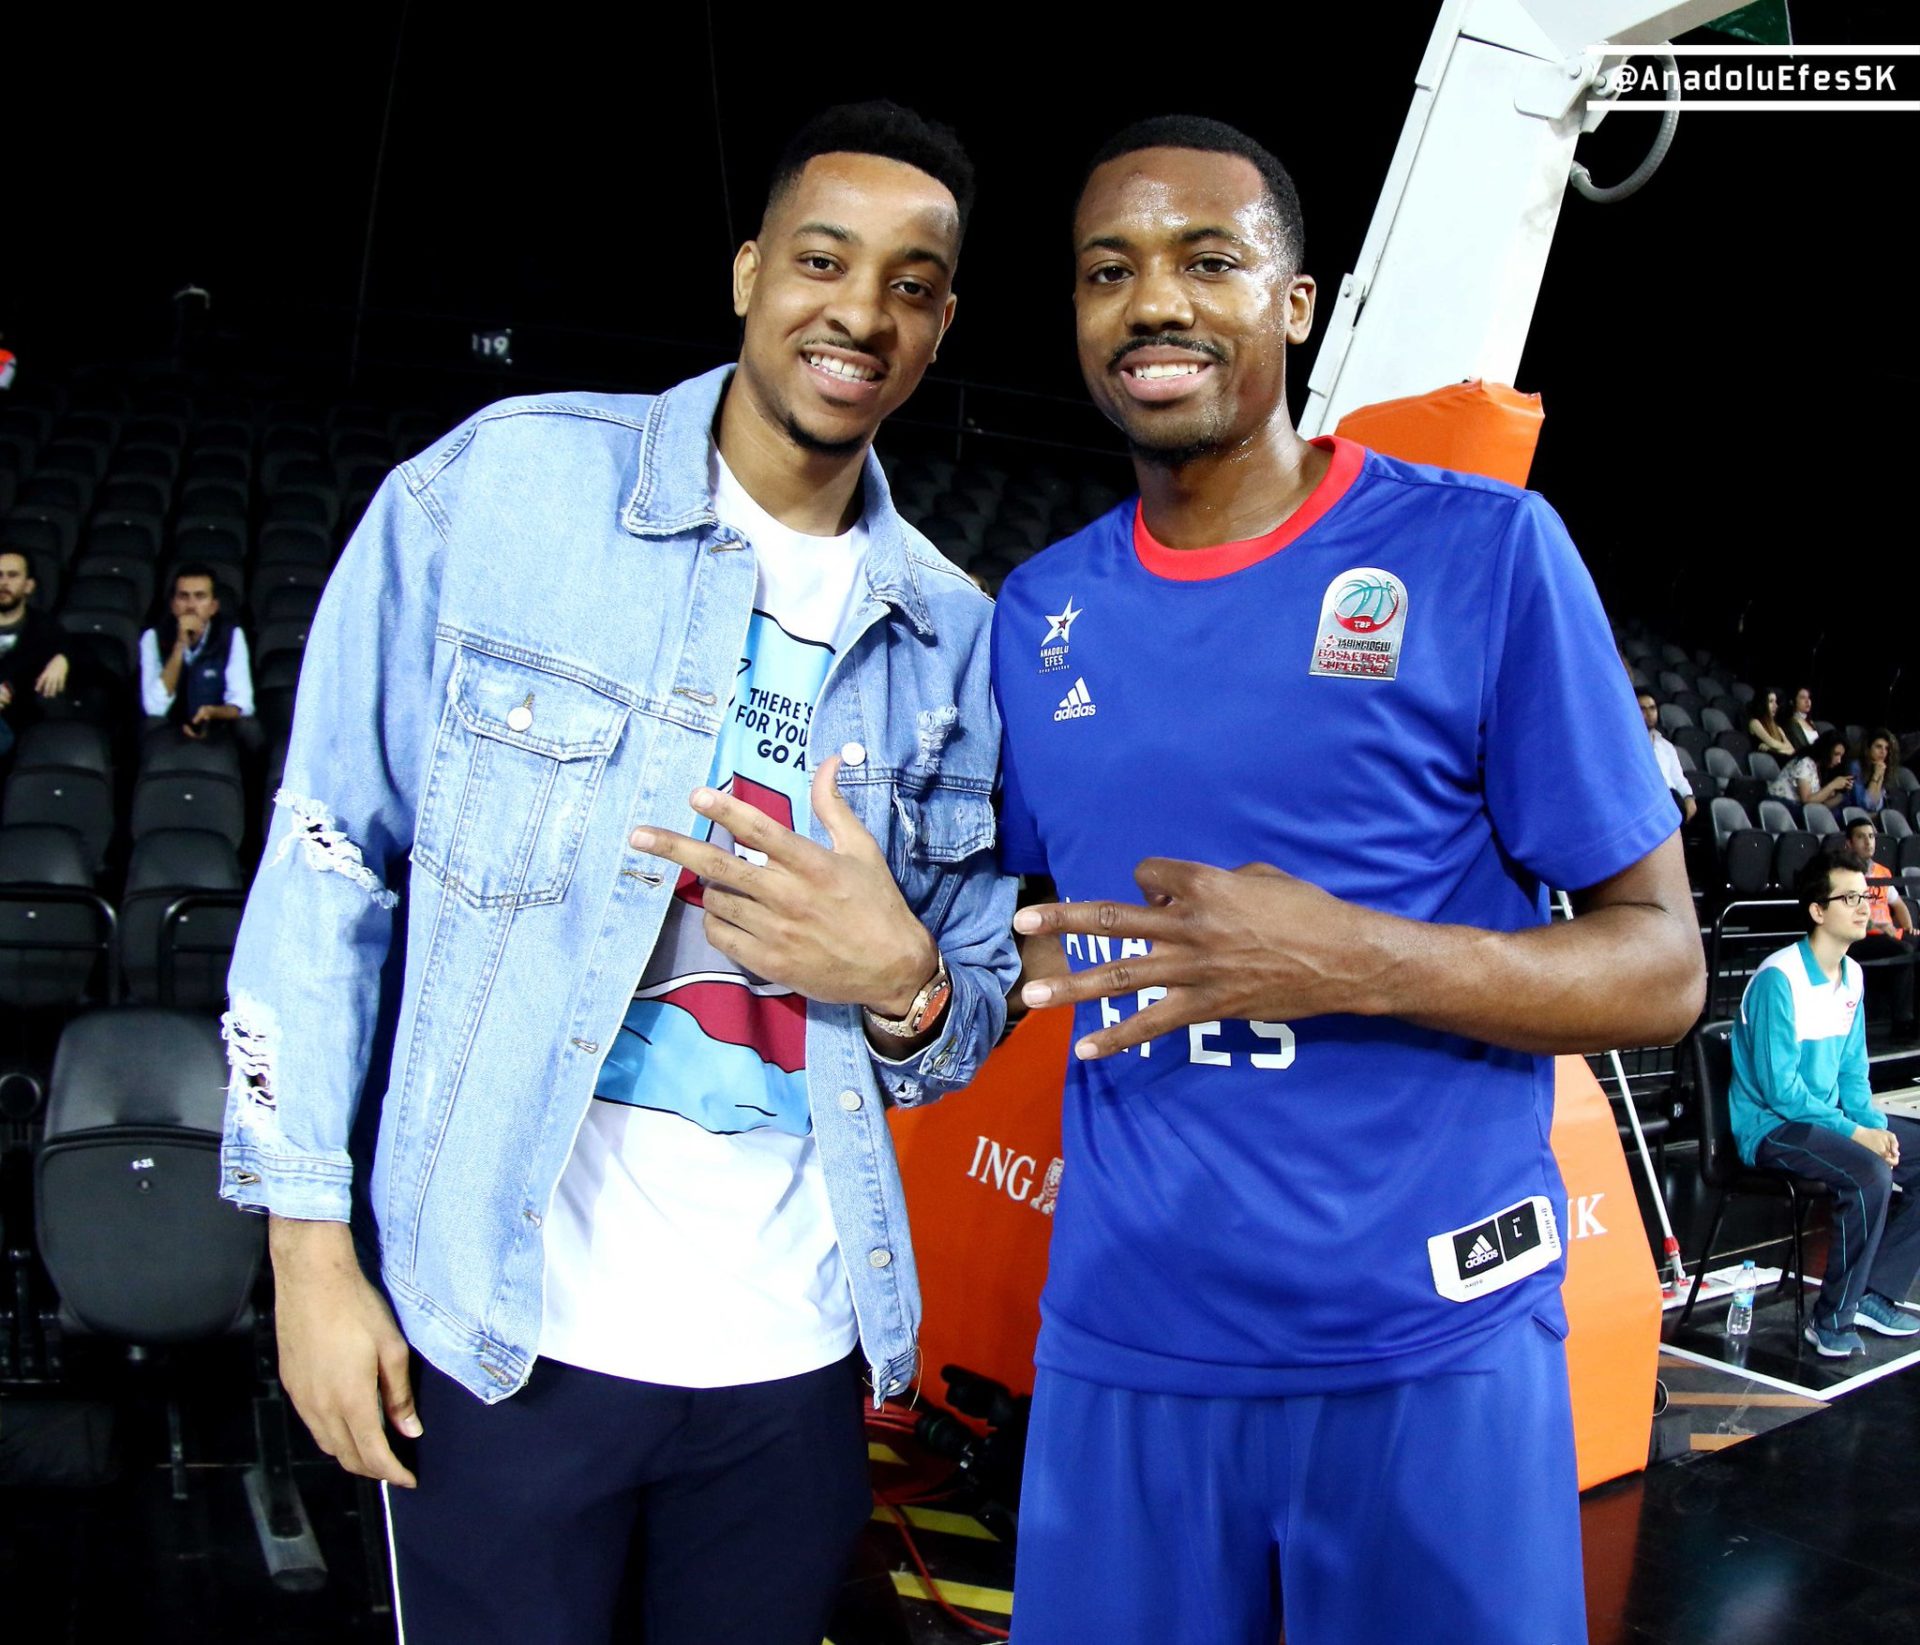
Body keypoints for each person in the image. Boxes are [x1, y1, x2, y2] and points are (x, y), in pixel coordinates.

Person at [219, 103, 1017, 1645]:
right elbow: (327, 861)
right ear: (750, 271)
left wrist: (905, 983)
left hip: (792, 1366)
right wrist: (307, 1249)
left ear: (940, 327)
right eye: (824, 261)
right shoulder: (501, 489)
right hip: (506, 1339)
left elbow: (959, 1010)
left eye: (911, 286)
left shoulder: (954, 637)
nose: (861, 312)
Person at [992, 117, 1702, 1645]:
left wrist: (1355, 958)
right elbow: (1040, 937)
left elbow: (1662, 965)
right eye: (1109, 270)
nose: (1155, 301)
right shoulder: (1039, 612)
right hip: (1128, 1356)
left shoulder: (1484, 554)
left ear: (1296, 302)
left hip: (1425, 1353)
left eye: (1209, 260)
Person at [1729, 851, 1920, 1356]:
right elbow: (1781, 1092)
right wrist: (1857, 1136)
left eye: (1865, 896)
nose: (1862, 907)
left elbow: (1853, 1073)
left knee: (1905, 1153)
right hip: (1771, 1127)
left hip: (1823, 1120)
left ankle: (1875, 1292)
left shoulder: (1853, 975)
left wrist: (1876, 1128)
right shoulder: (1780, 978)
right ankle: (1831, 1319)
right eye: (1849, 897)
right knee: (1868, 1173)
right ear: (1817, 910)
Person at [140, 562, 257, 749]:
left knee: (250, 729)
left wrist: (211, 713)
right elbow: (154, 707)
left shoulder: (231, 635)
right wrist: (180, 645)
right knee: (149, 725)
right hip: (169, 728)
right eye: (183, 597)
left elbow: (242, 703)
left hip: (216, 726)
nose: (191, 606)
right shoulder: (153, 637)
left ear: (213, 606)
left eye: (200, 597)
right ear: (173, 605)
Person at [1844, 817, 1916, 1039]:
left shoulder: (1882, 872)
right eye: (1861, 837)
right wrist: (1879, 927)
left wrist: (1909, 928)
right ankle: (1903, 1022)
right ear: (1849, 844)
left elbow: (1898, 904)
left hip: (1886, 936)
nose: (1868, 842)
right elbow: (1846, 913)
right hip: (1860, 937)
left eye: (1871, 836)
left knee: (1912, 944)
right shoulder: (1845, 874)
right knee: (1904, 950)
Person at [0, 549, 71, 755]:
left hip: (15, 724)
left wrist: (64, 658)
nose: (4, 583)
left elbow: (88, 659)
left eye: (13, 575)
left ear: (29, 586)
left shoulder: (44, 629)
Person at [1639, 690, 1696, 821]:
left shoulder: (1666, 746)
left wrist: (1688, 797)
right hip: (1647, 801)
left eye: (1652, 708)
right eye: (1643, 709)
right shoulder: (1630, 744)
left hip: (1671, 800)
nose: (1649, 713)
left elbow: (1678, 778)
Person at [1783, 733, 1853, 810]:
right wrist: (1833, 785)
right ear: (1825, 750)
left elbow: (1823, 806)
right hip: (1783, 805)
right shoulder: (1805, 763)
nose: (1839, 761)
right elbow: (1806, 800)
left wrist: (1841, 792)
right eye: (1836, 754)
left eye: (1841, 756)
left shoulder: (1820, 769)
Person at [1848, 727, 1899, 815]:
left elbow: (1876, 806)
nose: (1883, 752)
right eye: (1878, 747)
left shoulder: (1880, 768)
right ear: (1868, 749)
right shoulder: (1855, 766)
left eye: (1886, 748)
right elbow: (1865, 804)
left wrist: (1880, 778)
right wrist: (1875, 776)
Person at [1747, 687, 1795, 756]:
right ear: (1763, 703)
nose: (1776, 706)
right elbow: (1772, 743)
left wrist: (1772, 749)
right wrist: (1783, 748)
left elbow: (1792, 749)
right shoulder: (1754, 723)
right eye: (1771, 701)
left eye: (1775, 701)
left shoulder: (1778, 727)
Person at [1785, 684, 1821, 753]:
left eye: (1808, 697)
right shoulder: (1791, 724)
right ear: (1793, 701)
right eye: (1802, 698)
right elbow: (1801, 748)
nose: (1807, 701)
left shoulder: (1811, 722)